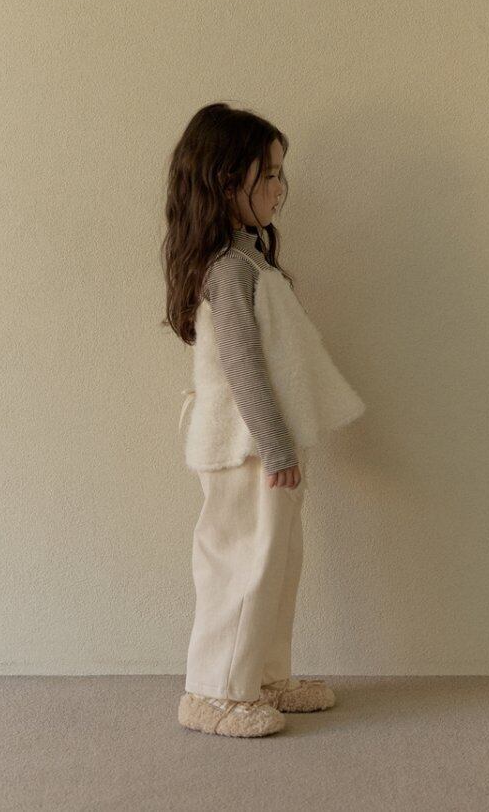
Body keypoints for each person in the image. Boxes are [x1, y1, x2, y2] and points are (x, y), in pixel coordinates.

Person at [160, 102, 366, 737]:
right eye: (268, 174)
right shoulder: (227, 271)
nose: (280, 188)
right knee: (241, 564)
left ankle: (263, 677)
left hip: (267, 443)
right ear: (226, 182)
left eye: (280, 173)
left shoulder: (248, 258)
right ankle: (213, 692)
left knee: (277, 562)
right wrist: (276, 447)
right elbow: (243, 364)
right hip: (245, 445)